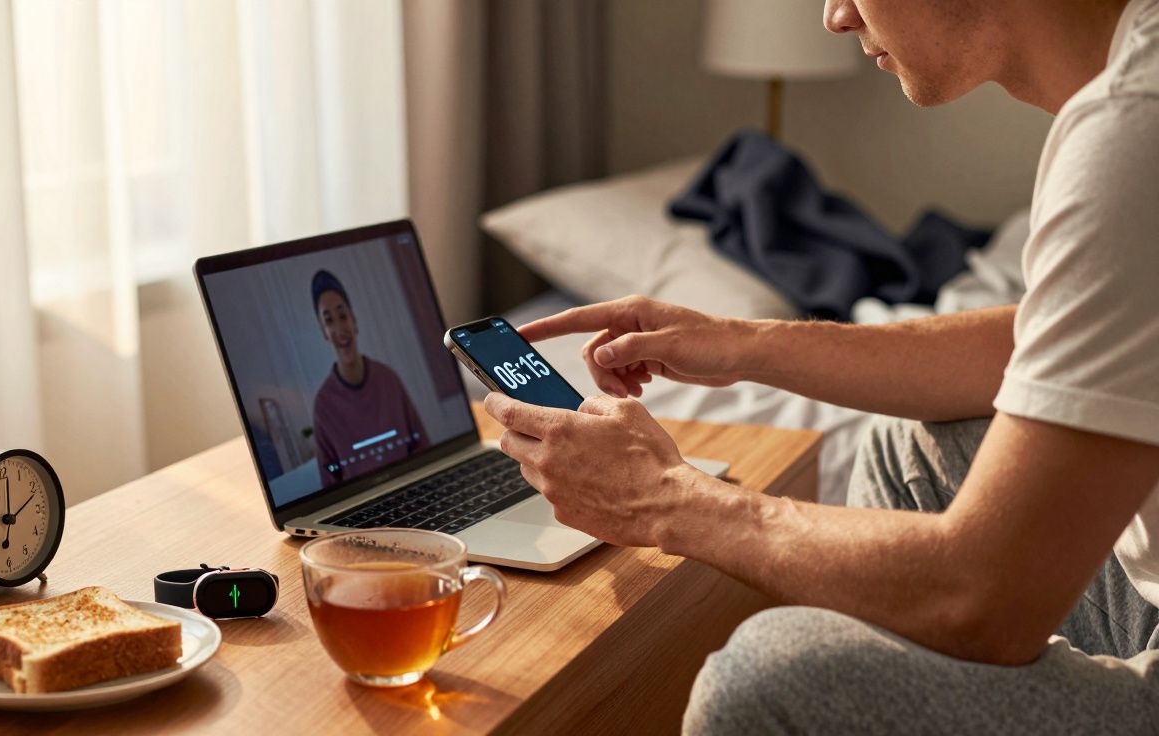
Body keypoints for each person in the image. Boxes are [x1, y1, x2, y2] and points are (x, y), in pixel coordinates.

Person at [483, 0, 1159, 732]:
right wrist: (742, 343)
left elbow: (983, 598)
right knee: (912, 451)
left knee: (767, 680)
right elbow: (1034, 347)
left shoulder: (1133, 134)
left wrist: (664, 500)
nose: (836, 15)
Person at [309, 269, 427, 486]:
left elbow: (422, 447)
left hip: (411, 488)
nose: (339, 328)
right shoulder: (323, 406)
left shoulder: (389, 379)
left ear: (354, 320)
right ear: (324, 332)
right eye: (329, 321)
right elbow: (330, 486)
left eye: (342, 316)